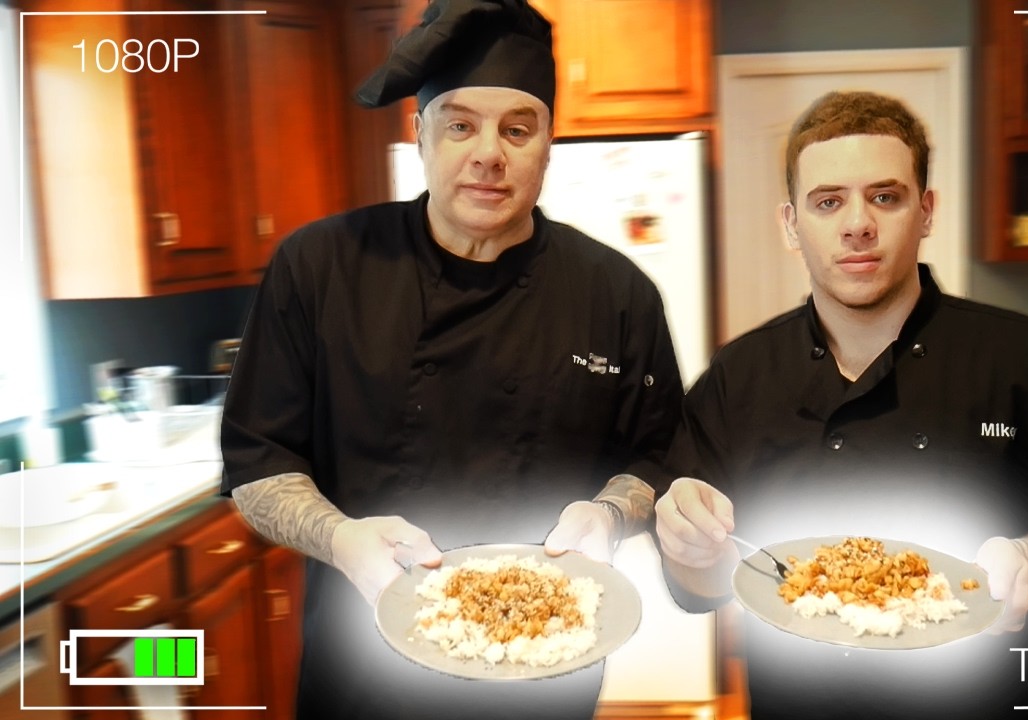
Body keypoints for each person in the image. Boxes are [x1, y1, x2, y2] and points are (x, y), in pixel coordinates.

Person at [219, 1, 682, 718]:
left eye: (517, 129)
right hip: (362, 675)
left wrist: (610, 514)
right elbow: (258, 466)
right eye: (460, 125)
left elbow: (657, 458)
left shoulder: (618, 294)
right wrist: (339, 538)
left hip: (546, 672)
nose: (489, 153)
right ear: (420, 135)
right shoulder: (318, 268)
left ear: (549, 144)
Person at [653, 91, 1028, 720]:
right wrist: (689, 549)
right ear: (791, 224)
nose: (858, 223)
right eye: (828, 202)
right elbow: (699, 588)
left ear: (926, 211)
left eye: (885, 197)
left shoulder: (1022, 356)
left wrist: (1027, 559)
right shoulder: (738, 377)